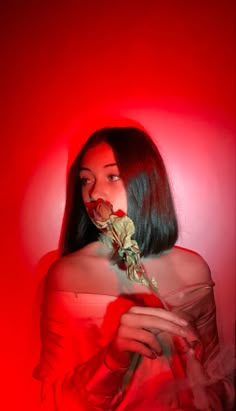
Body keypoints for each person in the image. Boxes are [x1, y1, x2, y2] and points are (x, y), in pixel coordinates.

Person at [33, 126, 234, 410]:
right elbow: (53, 398)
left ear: (146, 182)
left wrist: (200, 378)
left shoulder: (193, 270)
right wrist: (112, 359)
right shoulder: (67, 275)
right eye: (85, 180)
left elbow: (217, 374)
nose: (94, 193)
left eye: (112, 176)